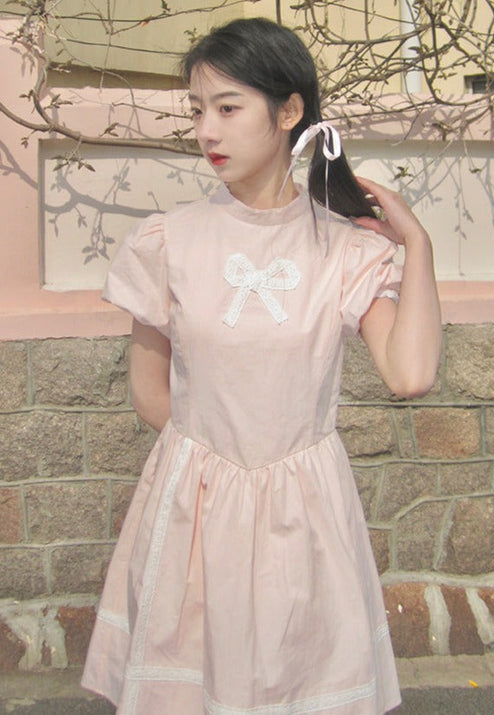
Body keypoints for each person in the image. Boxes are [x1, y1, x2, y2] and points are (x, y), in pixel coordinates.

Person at [82, 16, 441, 715]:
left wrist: (417, 244)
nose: (205, 132)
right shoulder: (167, 242)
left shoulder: (344, 250)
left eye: (227, 108)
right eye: (196, 111)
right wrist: (217, 473)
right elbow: (150, 394)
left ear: (288, 111)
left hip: (305, 518)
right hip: (193, 511)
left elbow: (410, 374)